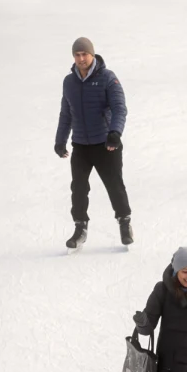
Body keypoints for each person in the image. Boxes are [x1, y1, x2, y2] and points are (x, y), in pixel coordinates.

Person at [55, 37, 133, 249]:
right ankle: (80, 228)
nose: (81, 58)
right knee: (78, 188)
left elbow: (119, 108)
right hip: (81, 144)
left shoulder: (107, 78)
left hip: (106, 143)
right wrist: (60, 140)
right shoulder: (68, 82)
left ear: (92, 54)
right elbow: (66, 113)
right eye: (77, 55)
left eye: (85, 54)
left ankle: (124, 222)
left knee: (114, 186)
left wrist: (115, 133)